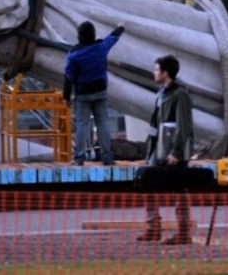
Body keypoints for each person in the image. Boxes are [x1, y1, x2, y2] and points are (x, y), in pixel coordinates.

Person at [136, 55, 194, 245]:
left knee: (179, 190)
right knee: (149, 185)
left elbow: (183, 124)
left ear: (165, 73)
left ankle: (184, 231)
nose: (154, 73)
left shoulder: (180, 94)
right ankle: (153, 229)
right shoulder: (162, 92)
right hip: (158, 146)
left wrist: (177, 152)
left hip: (171, 148)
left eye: (156, 69)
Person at [63, 21, 125, 165]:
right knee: (103, 123)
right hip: (100, 92)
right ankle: (107, 157)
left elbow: (68, 77)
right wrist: (121, 26)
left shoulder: (74, 55)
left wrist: (66, 97)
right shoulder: (101, 47)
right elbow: (113, 37)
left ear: (79, 37)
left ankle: (79, 159)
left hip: (83, 94)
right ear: (93, 35)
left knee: (82, 125)